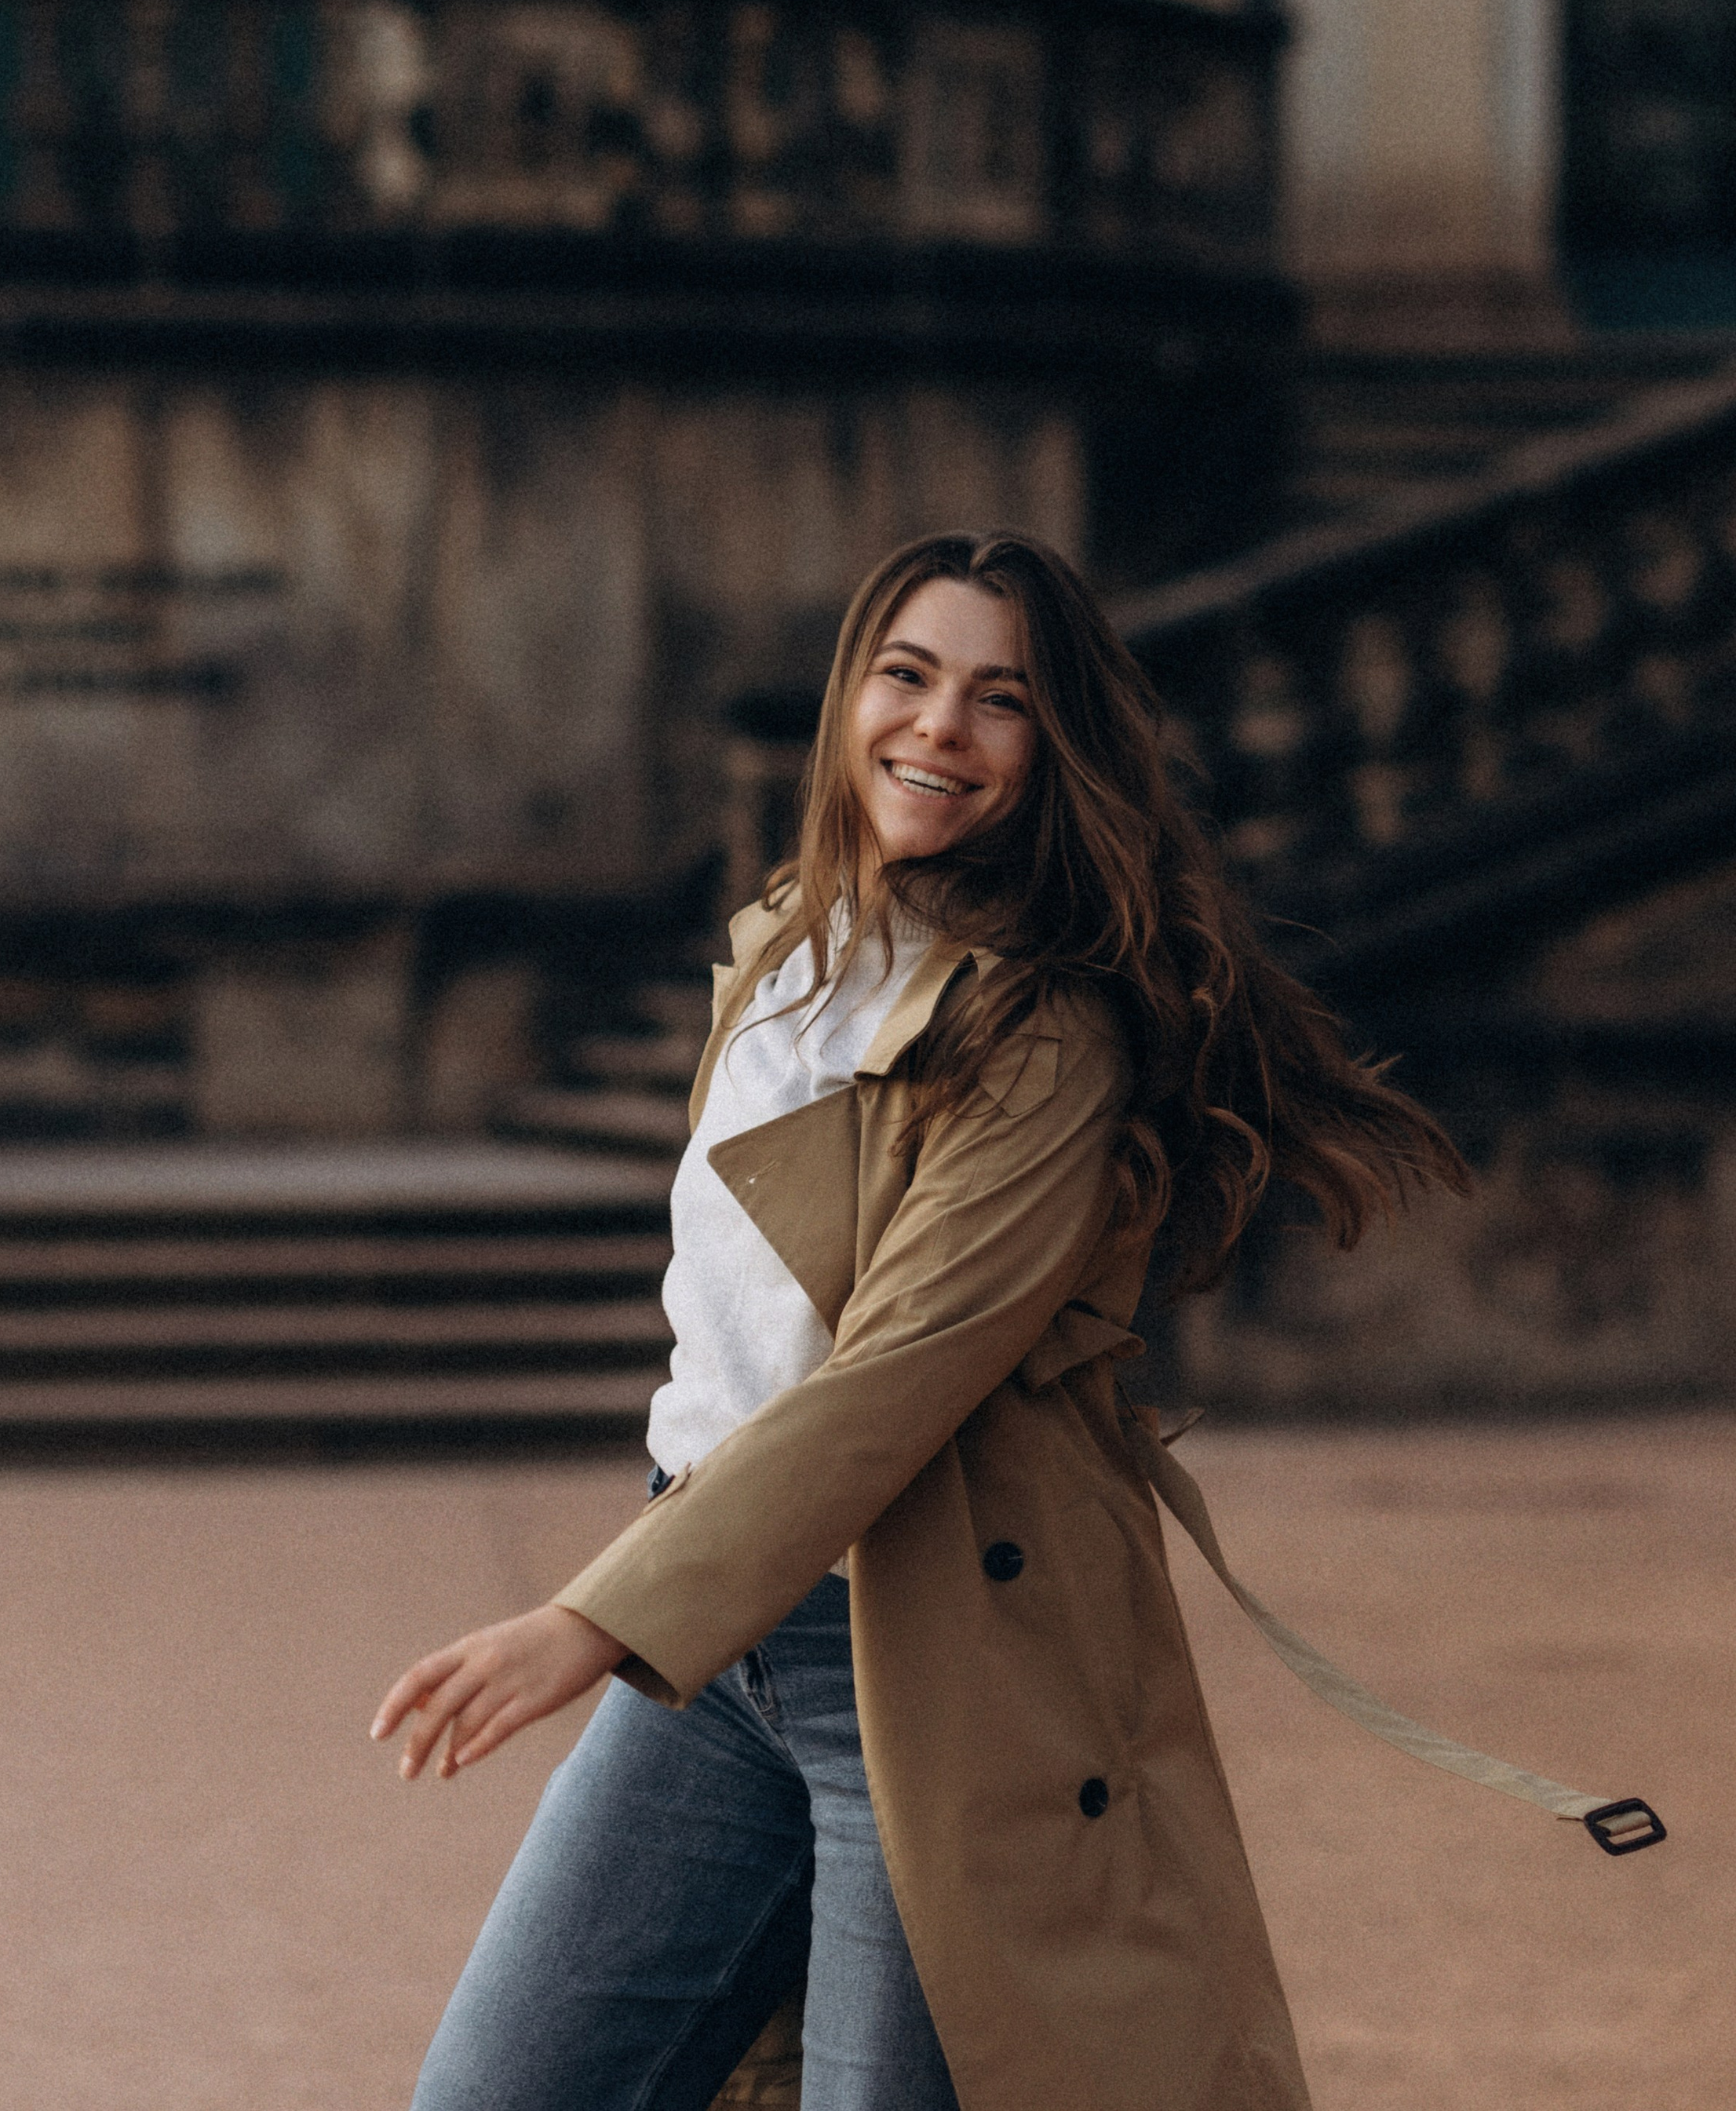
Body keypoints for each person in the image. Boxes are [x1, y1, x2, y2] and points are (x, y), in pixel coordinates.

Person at [374, 530, 1468, 2111]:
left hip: (925, 1652)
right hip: (710, 1643)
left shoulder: (1042, 1036)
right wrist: (654, 1607)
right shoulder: (777, 952)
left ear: (1055, 748)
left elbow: (891, 1379)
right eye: (905, 675)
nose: (936, 727)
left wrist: (589, 1620)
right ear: (846, 700)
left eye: (997, 699)